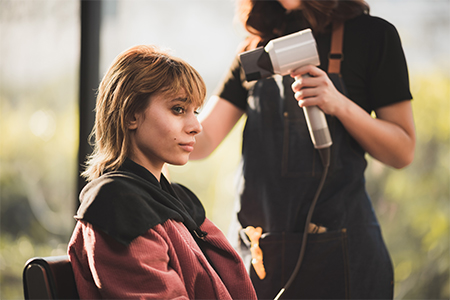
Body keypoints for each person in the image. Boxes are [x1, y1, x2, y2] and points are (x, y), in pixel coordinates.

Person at [191, 0, 415, 299]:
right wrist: (151, 121)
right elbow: (202, 141)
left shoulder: (373, 36)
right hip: (262, 255)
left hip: (343, 256)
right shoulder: (256, 49)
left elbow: (402, 151)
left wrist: (340, 105)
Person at [67, 45, 257, 300]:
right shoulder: (118, 204)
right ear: (131, 115)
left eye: (195, 112)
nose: (196, 127)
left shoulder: (175, 199)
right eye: (178, 109)